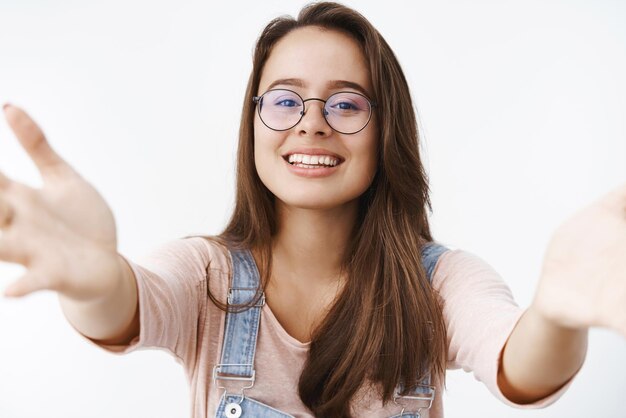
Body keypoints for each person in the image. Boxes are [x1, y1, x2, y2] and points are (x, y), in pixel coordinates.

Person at [0, 2, 624, 417]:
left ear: (388, 132)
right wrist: (94, 278)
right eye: (285, 100)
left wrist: (555, 316)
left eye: (347, 104)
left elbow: (519, 363)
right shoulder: (206, 275)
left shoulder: (441, 283)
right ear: (254, 123)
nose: (312, 125)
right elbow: (127, 304)